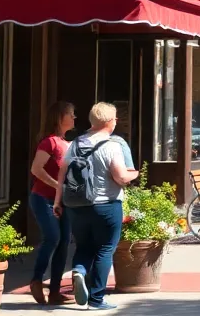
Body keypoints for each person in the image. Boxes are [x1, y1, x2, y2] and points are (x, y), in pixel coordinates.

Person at [55, 101, 139, 311]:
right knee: (105, 249)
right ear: (110, 121)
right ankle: (96, 298)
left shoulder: (76, 143)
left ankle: (79, 270)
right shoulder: (112, 145)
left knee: (84, 246)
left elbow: (62, 173)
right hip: (106, 205)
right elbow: (121, 177)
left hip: (76, 205)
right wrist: (134, 174)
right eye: (115, 118)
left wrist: (57, 201)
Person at [28, 101, 75, 305]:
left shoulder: (67, 144)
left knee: (64, 242)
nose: (74, 117)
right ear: (59, 117)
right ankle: (37, 280)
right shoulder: (49, 142)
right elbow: (36, 169)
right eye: (70, 114)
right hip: (43, 198)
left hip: (63, 202)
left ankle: (55, 291)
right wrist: (58, 186)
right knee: (53, 237)